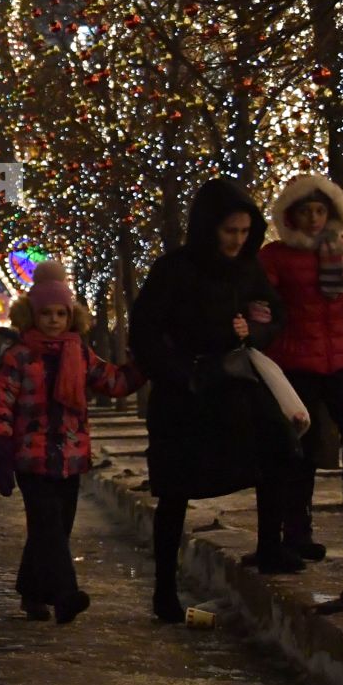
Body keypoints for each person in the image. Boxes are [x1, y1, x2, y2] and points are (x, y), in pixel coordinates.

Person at [129, 178, 293, 624]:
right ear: (208, 227)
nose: (237, 241)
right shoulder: (175, 269)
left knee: (277, 449)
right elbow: (145, 331)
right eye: (229, 232)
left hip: (235, 386)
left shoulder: (248, 268)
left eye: (244, 232)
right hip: (186, 395)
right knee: (176, 491)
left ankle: (271, 547)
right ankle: (164, 588)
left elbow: (272, 313)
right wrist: (181, 373)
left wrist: (254, 330)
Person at [0, 265, 143, 623]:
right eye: (46, 313)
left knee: (54, 529)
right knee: (50, 528)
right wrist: (1, 451)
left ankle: (32, 591)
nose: (54, 320)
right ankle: (65, 595)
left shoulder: (80, 353)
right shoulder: (19, 356)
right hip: (32, 459)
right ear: (32, 314)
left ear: (71, 316)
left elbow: (114, 382)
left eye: (61, 314)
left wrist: (143, 366)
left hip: (70, 457)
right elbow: (0, 405)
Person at [258, 175, 343, 556]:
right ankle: (298, 533)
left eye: (320, 210)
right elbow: (265, 303)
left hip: (342, 360)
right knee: (304, 447)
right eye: (306, 211)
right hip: (296, 361)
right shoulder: (274, 256)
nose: (314, 218)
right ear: (292, 215)